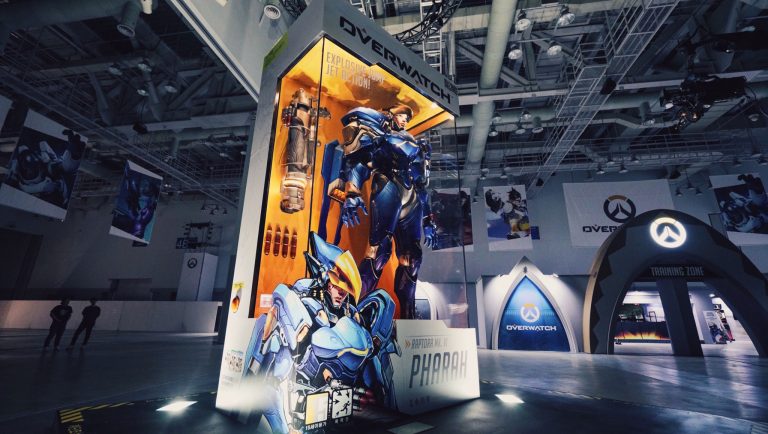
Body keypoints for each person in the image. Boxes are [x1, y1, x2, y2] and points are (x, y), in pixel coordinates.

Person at [242, 232, 399, 432]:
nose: (342, 294)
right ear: (327, 282)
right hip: (305, 373)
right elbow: (281, 303)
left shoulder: (348, 310)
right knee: (274, 348)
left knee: (376, 355)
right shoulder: (307, 299)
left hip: (335, 383)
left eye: (345, 291)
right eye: (338, 288)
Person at [330, 103, 436, 319]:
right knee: (378, 252)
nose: (405, 120)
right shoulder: (378, 134)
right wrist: (352, 192)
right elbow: (359, 163)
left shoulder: (417, 145)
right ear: (391, 114)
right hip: (387, 186)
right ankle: (353, 310)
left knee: (412, 257)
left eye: (407, 117)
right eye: (401, 115)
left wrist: (428, 219)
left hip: (411, 196)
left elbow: (421, 185)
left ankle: (408, 313)